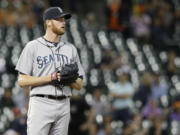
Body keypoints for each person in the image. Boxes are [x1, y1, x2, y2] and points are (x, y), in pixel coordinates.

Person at [15, 7, 85, 135]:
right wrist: (52, 77)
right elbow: (22, 80)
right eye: (59, 19)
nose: (63, 23)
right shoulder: (33, 47)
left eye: (64, 20)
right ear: (48, 22)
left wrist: (68, 79)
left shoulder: (71, 49)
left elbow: (79, 84)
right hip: (41, 102)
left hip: (64, 103)